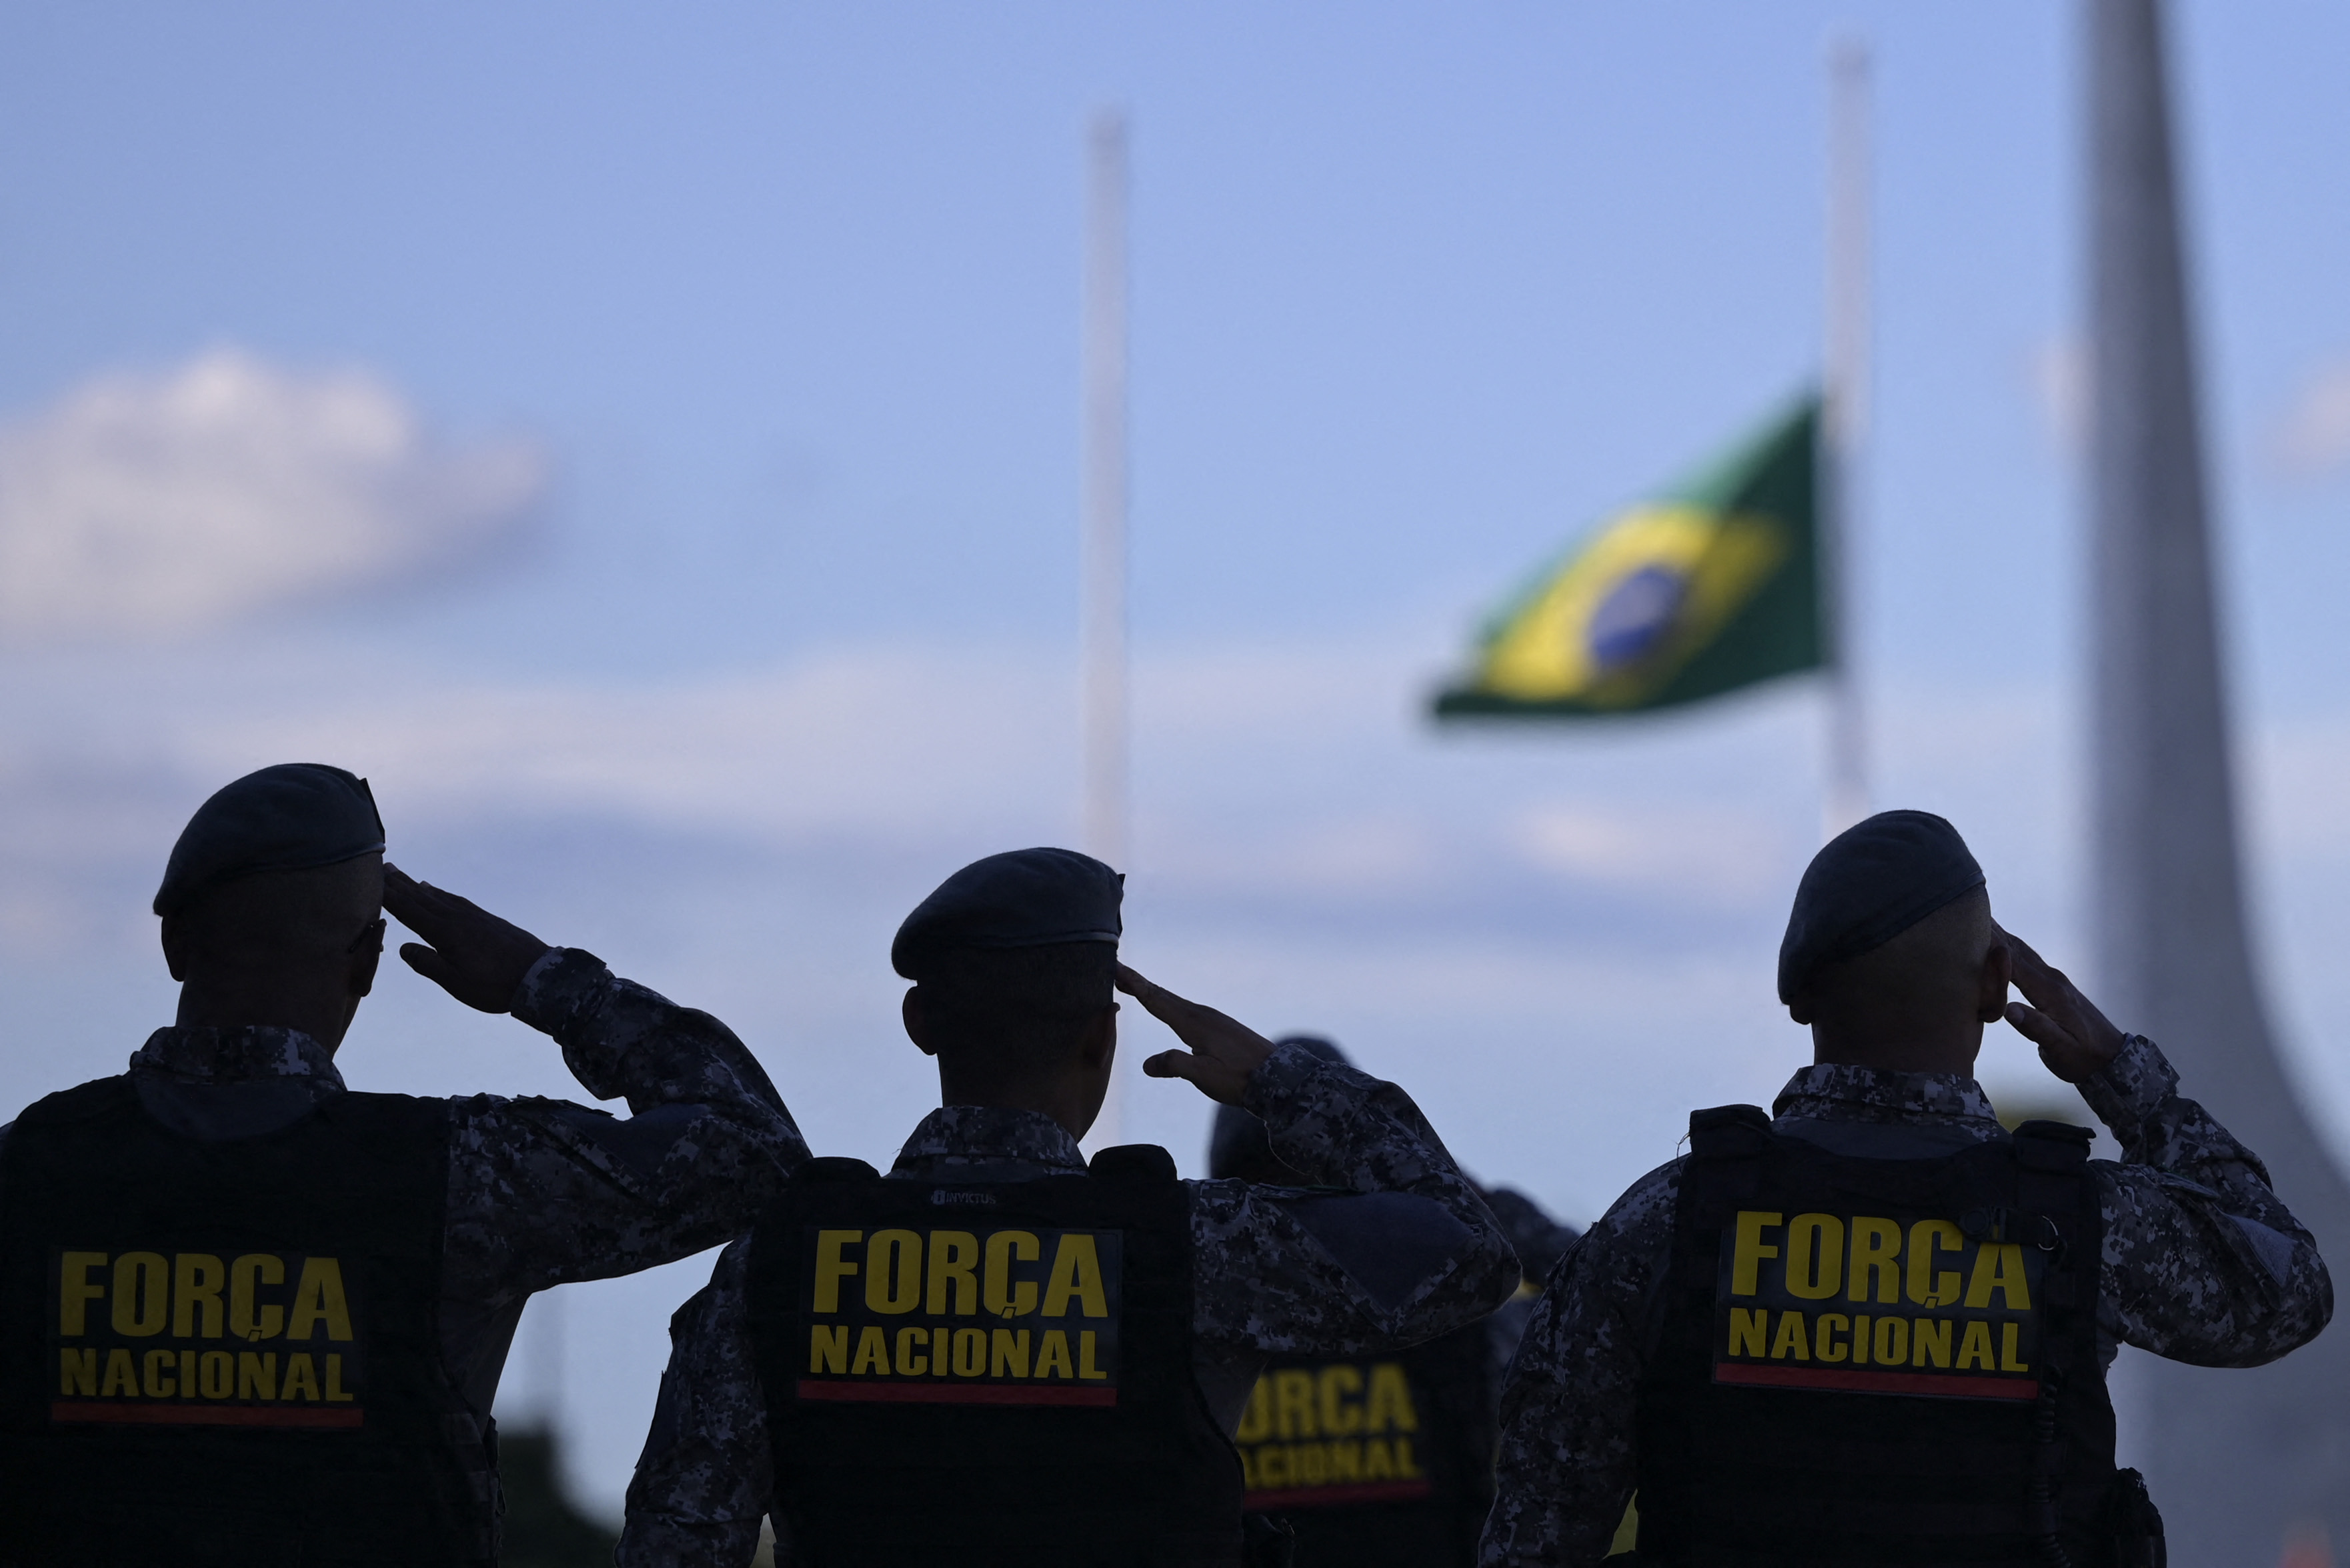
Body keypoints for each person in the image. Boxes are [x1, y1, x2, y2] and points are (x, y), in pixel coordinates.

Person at [617, 847, 1522, 1567]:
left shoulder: (780, 1266)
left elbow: (677, 1541)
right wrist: (1279, 1082)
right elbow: (1471, 1251)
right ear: (1101, 1037)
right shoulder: (1198, 1252)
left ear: (919, 1025)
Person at [0, 763, 806, 1566]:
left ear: (174, 941)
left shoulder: (25, 1168)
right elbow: (754, 1152)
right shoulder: (459, 1175)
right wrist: (545, 982)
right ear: (368, 960)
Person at [1480, 809, 2334, 1567]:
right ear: (1994, 984)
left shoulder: (1664, 1222)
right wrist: (2123, 1077)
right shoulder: (2084, 1221)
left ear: (1796, 996)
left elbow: (1539, 1530)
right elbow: (2287, 1292)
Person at [1212, 1037, 1580, 1568]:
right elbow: (1601, 1297)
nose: (1301, 1214)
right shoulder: (1463, 1319)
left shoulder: (1193, 1321)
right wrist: (1460, 1202)